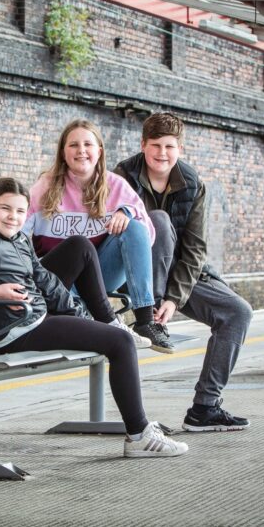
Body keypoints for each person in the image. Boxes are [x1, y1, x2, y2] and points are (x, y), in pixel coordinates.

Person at [0, 177, 188, 457]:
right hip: (14, 330)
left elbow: (45, 279)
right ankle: (139, 435)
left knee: (80, 248)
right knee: (120, 343)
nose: (13, 217)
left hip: (36, 317)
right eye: (5, 209)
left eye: (20, 211)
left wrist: (79, 315)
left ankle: (107, 328)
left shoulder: (18, 240)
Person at [114, 112, 253, 432]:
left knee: (238, 312)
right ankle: (147, 318)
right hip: (132, 275)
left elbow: (194, 248)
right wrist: (154, 298)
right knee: (158, 221)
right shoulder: (122, 176)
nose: (162, 153)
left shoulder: (192, 183)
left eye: (170, 146)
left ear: (180, 148)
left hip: (176, 274)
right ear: (142, 145)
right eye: (155, 146)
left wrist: (174, 299)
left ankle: (204, 408)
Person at [23, 119, 173, 352]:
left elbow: (148, 237)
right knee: (78, 246)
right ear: (63, 152)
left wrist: (128, 212)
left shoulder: (116, 185)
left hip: (102, 275)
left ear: (99, 151)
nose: (81, 150)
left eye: (87, 144)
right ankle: (85, 312)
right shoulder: (46, 185)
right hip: (60, 278)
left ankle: (145, 319)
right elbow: (17, 229)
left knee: (134, 227)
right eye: (73, 145)